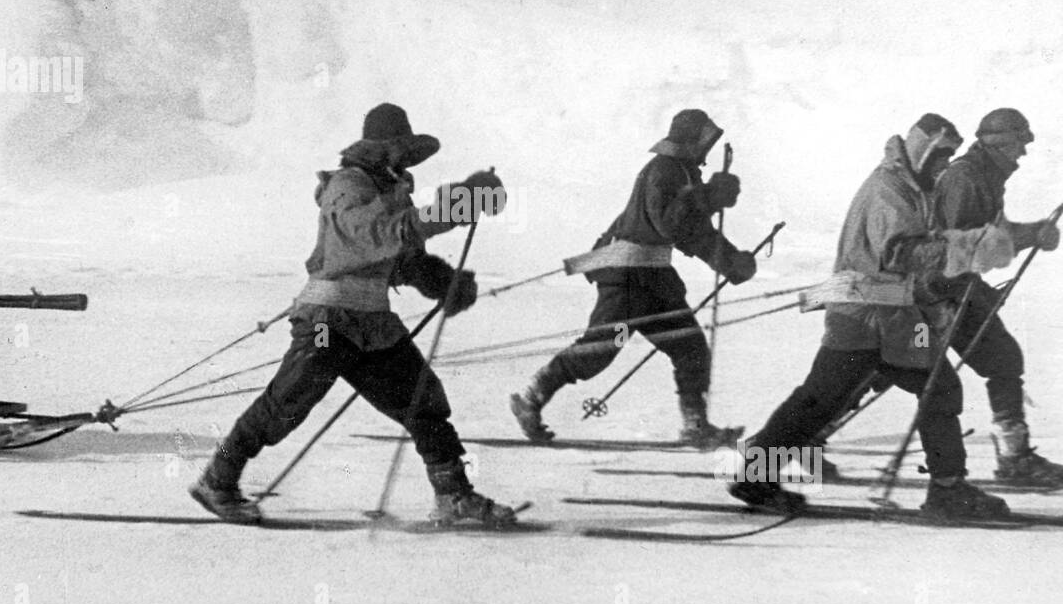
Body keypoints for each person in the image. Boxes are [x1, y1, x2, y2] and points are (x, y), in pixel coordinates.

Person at [190, 103, 518, 527]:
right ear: (380, 150)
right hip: (327, 323)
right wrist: (459, 203)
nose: (405, 161)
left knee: (424, 400)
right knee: (288, 402)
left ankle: (455, 495)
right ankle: (218, 480)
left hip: (373, 326)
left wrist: (442, 280)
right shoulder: (346, 188)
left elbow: (400, 256)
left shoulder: (387, 190)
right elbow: (381, 235)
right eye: (400, 151)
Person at [730, 114, 1015, 519]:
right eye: (939, 156)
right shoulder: (888, 190)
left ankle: (948, 489)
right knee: (824, 398)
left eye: (949, 158)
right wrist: (965, 248)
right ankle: (946, 492)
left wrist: (953, 272)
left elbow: (920, 257)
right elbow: (900, 252)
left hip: (900, 320)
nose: (943, 166)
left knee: (937, 387)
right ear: (922, 151)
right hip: (864, 316)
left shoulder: (916, 189)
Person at [509, 109, 756, 447]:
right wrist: (709, 199)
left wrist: (732, 262)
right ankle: (530, 398)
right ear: (693, 140)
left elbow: (693, 231)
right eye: (704, 141)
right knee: (600, 349)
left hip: (653, 282)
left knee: (690, 347)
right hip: (627, 280)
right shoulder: (663, 171)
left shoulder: (680, 172)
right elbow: (670, 226)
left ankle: (695, 425)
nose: (707, 149)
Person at [932, 108, 1063, 486]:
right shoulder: (965, 179)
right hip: (937, 296)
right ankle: (802, 441)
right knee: (881, 369)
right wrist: (1029, 238)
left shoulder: (986, 177)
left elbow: (997, 233)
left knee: (1004, 359)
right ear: (999, 143)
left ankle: (1015, 457)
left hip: (959, 293)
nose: (1022, 154)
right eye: (1019, 144)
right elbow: (957, 246)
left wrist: (1035, 231)